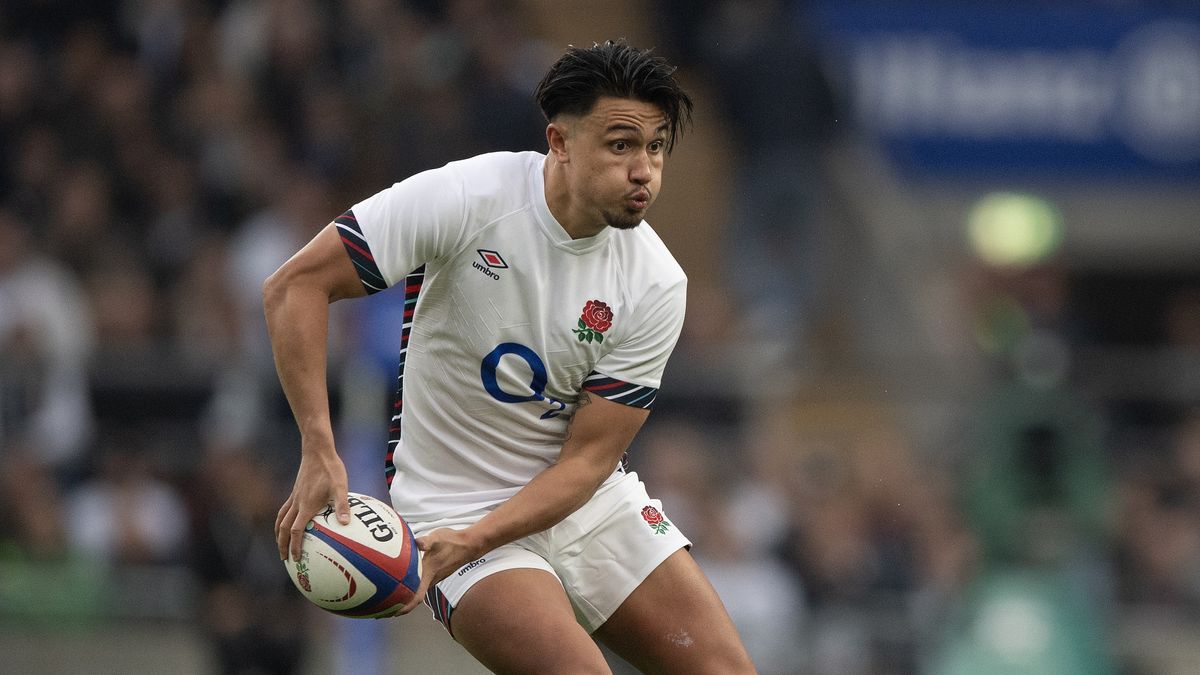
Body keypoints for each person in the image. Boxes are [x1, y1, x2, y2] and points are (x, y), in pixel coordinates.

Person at [265, 40, 756, 673]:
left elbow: (585, 463)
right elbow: (294, 286)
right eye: (621, 145)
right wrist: (318, 450)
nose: (644, 171)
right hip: (450, 510)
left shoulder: (657, 282)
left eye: (656, 148)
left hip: (584, 505)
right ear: (559, 141)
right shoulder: (469, 197)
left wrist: (475, 539)